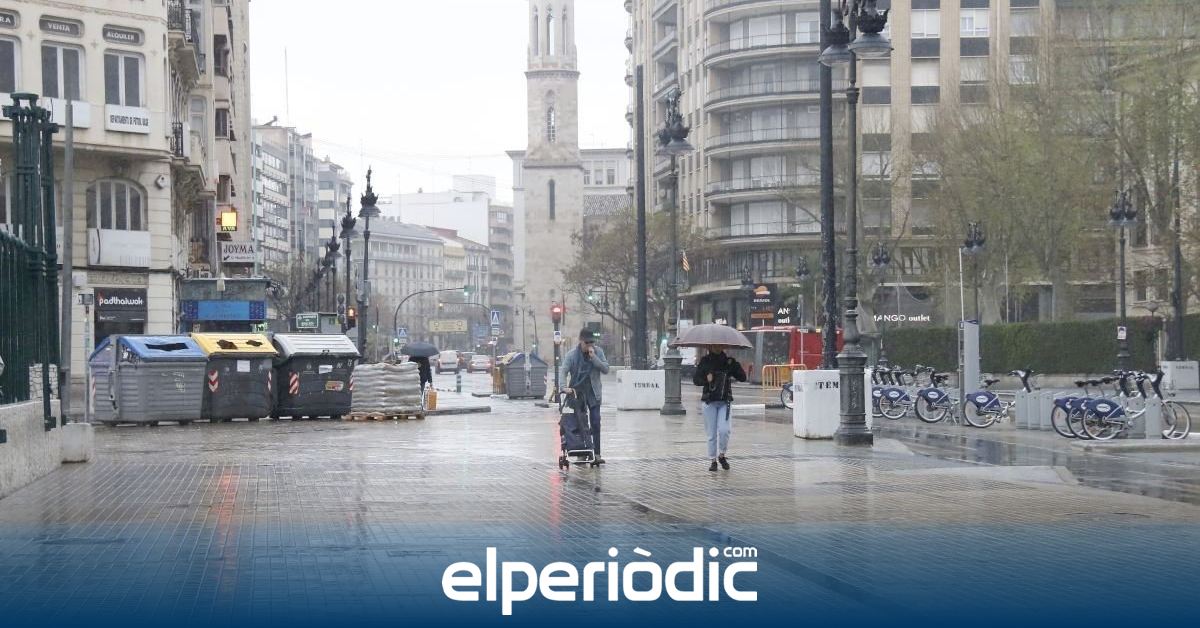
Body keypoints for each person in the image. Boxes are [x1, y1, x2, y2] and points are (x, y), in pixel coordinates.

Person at [692, 345, 747, 472]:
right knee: (711, 434)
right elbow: (696, 380)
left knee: (724, 430)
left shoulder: (728, 362)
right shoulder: (705, 361)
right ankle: (713, 460)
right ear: (710, 347)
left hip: (724, 402)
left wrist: (735, 366)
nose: (717, 347)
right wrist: (706, 379)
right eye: (715, 345)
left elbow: (743, 377)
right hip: (709, 402)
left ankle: (722, 455)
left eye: (720, 345)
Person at [560, 329, 611, 463]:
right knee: (580, 423)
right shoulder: (572, 355)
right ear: (581, 341)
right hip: (578, 393)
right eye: (586, 343)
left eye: (591, 342)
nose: (589, 345)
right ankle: (582, 451)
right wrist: (563, 387)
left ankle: (597, 454)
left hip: (593, 393)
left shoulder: (598, 352)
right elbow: (563, 371)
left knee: (595, 422)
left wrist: (594, 358)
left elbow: (606, 369)